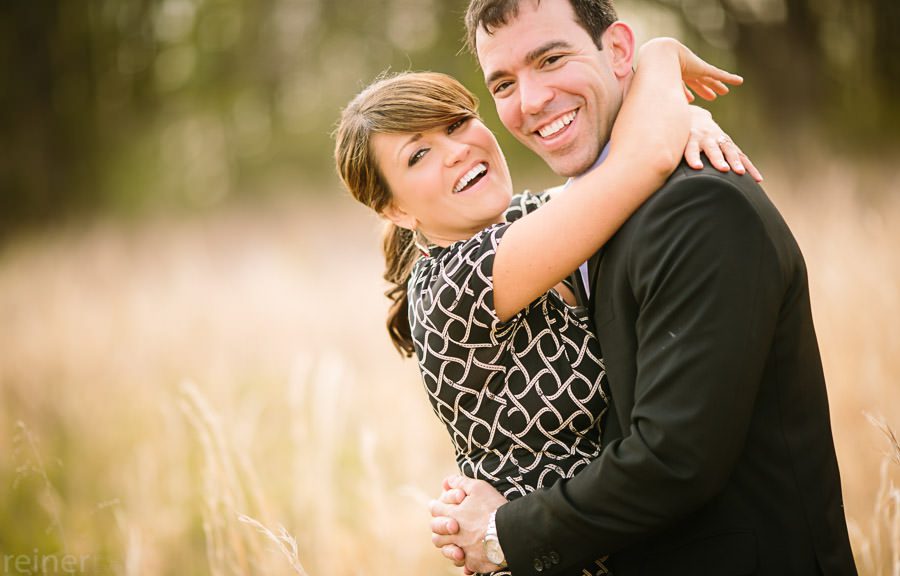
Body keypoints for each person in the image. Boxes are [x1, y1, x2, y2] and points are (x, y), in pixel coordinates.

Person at [428, 1, 857, 575]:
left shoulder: (698, 206)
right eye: (504, 83)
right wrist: (666, 95)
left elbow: (674, 459)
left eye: (551, 59)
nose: (530, 101)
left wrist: (503, 533)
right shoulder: (573, 218)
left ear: (617, 50)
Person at [335, 32, 753, 576]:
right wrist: (660, 56)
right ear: (396, 210)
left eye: (456, 124)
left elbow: (617, 165)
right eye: (419, 155)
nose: (456, 150)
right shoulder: (458, 281)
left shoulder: (518, 222)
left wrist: (687, 120)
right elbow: (641, 160)